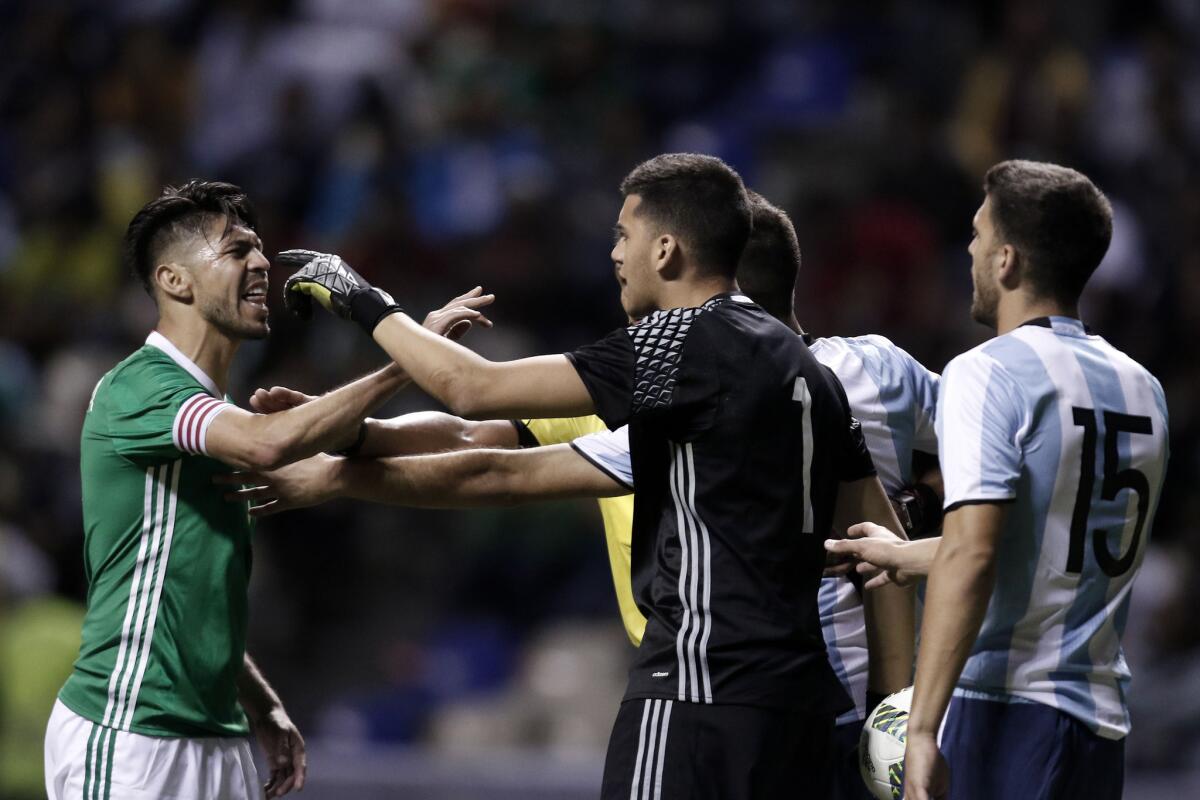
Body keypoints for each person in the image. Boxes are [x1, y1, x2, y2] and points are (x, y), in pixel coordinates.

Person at [274, 153, 901, 798]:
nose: (614, 256)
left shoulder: (680, 343)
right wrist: (893, 703)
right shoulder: (811, 375)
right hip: (797, 708)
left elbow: (470, 390)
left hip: (696, 688)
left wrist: (358, 297)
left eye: (623, 236)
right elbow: (884, 540)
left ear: (666, 250)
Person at [44, 180, 489, 800]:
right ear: (176, 282)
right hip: (129, 731)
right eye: (236, 250)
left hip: (215, 733)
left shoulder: (208, 411)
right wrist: (410, 357)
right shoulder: (141, 389)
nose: (261, 263)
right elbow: (268, 445)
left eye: (258, 247)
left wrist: (260, 702)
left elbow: (199, 595)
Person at [878, 161, 1168, 800]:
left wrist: (922, 729)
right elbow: (1050, 551)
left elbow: (974, 552)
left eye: (979, 236)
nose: (970, 250)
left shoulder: (987, 372)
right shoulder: (1142, 387)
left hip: (1004, 712)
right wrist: (903, 554)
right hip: (1097, 725)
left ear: (1007, 261)